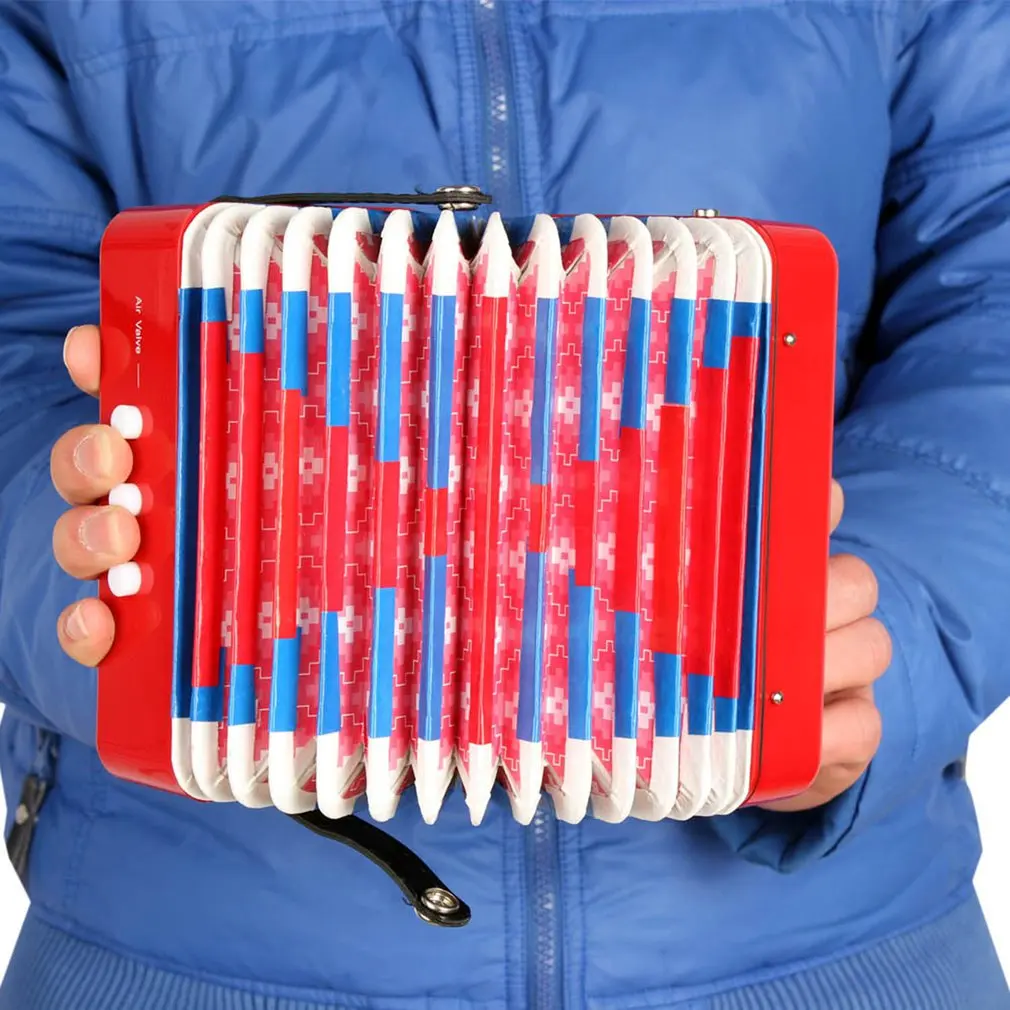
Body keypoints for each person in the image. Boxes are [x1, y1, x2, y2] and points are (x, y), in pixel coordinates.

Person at [1, 1, 1008, 1007]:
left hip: (832, 952)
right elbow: (17, 338)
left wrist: (872, 638)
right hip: (183, 942)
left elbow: (990, 303)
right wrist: (119, 598)